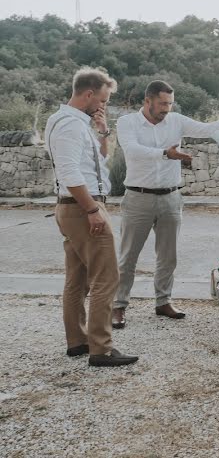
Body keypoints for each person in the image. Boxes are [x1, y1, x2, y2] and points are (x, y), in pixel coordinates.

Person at [112, 80, 219, 327]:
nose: (167, 108)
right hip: (137, 197)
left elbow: (205, 129)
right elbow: (132, 150)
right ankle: (118, 306)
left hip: (171, 197)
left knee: (168, 256)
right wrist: (166, 153)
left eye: (170, 104)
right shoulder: (126, 122)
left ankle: (163, 302)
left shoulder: (176, 120)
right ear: (148, 101)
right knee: (128, 257)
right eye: (162, 103)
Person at [45, 67, 138, 367]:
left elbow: (96, 161)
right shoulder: (69, 126)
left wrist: (102, 131)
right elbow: (70, 171)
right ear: (88, 94)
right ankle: (102, 349)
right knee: (106, 277)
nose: (104, 105)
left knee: (78, 278)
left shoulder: (73, 122)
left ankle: (78, 341)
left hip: (74, 207)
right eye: (103, 99)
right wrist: (92, 210)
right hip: (82, 207)